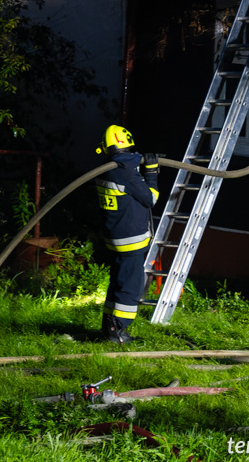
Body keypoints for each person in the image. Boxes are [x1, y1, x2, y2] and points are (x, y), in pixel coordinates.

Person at [94, 125, 159, 344]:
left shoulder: (107, 168)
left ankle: (109, 327)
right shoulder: (125, 172)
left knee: (118, 283)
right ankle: (119, 332)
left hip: (115, 237)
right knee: (130, 288)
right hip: (131, 240)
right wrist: (151, 174)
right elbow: (151, 199)